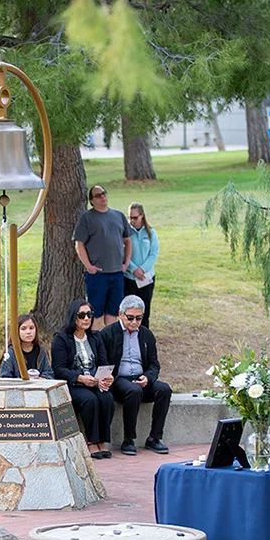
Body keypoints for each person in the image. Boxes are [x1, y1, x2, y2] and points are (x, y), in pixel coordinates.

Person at [99, 295, 173, 455]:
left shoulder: (147, 335)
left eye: (138, 318)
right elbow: (103, 362)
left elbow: (154, 364)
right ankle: (128, 439)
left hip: (141, 378)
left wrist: (148, 377)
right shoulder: (107, 334)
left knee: (164, 389)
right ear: (120, 314)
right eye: (130, 317)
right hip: (118, 380)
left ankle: (154, 438)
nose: (134, 322)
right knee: (133, 390)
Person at [52, 300, 114, 458]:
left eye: (89, 314)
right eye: (82, 315)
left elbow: (103, 362)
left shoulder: (95, 337)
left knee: (106, 398)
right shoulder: (61, 338)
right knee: (89, 400)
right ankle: (92, 441)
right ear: (73, 316)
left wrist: (107, 376)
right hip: (75, 383)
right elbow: (58, 369)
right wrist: (80, 378)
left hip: (94, 381)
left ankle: (102, 440)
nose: (86, 318)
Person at [74, 185, 132, 330]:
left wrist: (126, 263)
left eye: (104, 193)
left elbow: (128, 240)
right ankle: (95, 346)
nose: (102, 197)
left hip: (117, 273)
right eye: (98, 195)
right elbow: (79, 244)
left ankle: (109, 346)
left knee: (113, 314)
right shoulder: (87, 217)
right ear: (91, 200)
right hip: (97, 274)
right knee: (96, 315)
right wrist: (88, 266)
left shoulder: (118, 215)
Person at [124, 203, 159, 328]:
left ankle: (143, 338)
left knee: (144, 311)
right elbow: (123, 252)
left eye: (135, 218)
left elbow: (153, 253)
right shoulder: (126, 232)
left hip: (146, 278)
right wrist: (134, 269)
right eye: (130, 218)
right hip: (129, 277)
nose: (132, 221)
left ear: (142, 216)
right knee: (128, 311)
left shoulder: (151, 233)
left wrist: (142, 269)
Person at [0, 313, 54, 379]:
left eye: (31, 328)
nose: (28, 332)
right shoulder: (11, 352)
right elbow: (4, 377)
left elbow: (49, 373)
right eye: (23, 329)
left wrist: (42, 379)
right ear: (17, 331)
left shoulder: (41, 349)